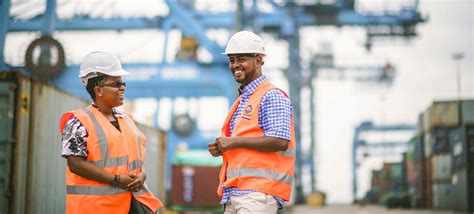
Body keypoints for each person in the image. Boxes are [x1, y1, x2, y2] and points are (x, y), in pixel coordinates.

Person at [59, 51, 163, 213]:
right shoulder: (78, 122)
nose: (122, 88)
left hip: (130, 205)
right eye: (116, 84)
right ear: (98, 90)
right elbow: (75, 164)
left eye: (123, 84)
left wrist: (142, 175)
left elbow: (135, 161)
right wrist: (116, 180)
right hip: (95, 208)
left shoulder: (128, 120)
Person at [208, 31, 296, 213]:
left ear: (258, 60)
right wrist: (224, 148)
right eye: (231, 60)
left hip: (258, 194)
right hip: (235, 192)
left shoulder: (272, 96)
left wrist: (233, 142)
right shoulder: (243, 100)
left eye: (241, 59)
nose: (235, 65)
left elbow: (280, 140)